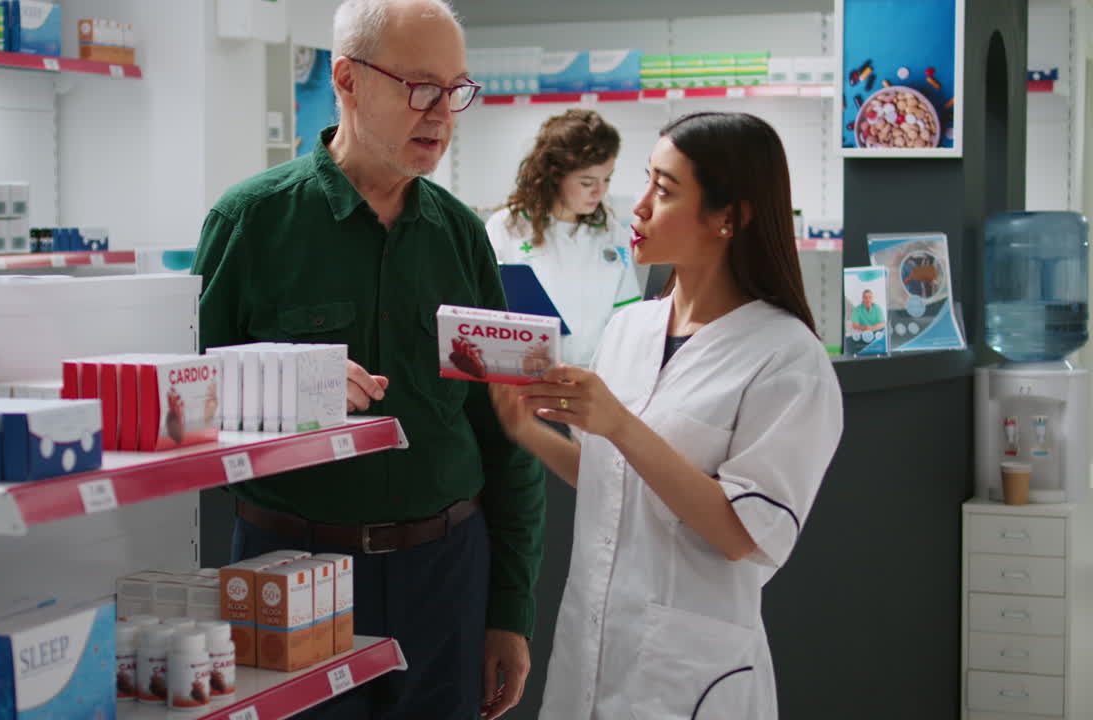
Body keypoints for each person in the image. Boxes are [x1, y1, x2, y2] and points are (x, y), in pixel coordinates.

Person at [190, 1, 544, 718]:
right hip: (289, 573)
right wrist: (283, 385)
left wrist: (509, 607)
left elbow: (508, 436)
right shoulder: (250, 223)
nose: (442, 112)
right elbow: (180, 410)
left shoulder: (462, 237)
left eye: (457, 90)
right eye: (420, 87)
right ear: (347, 80)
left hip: (447, 573)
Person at [490, 112, 844, 719]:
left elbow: (743, 533)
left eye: (666, 189)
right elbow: (613, 477)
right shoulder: (630, 327)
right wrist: (527, 431)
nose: (639, 207)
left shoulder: (787, 359)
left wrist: (622, 425)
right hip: (592, 647)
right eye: (647, 182)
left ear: (729, 216)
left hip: (689, 673)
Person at [485, 109, 642, 367]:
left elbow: (625, 319)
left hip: (595, 379)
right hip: (525, 379)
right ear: (554, 176)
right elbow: (489, 316)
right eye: (587, 181)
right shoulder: (506, 228)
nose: (600, 191)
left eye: (607, 179)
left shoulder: (611, 233)